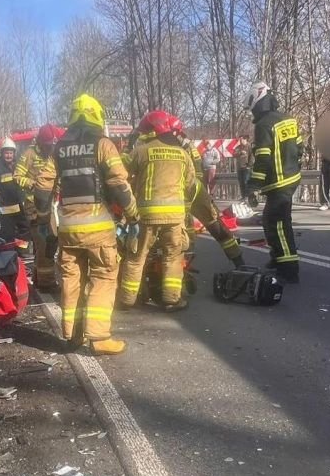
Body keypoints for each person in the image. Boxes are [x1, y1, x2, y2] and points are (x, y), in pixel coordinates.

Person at [35, 94, 138, 355]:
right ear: (96, 115)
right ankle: (99, 337)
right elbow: (118, 183)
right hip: (98, 229)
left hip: (68, 230)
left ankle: (71, 334)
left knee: (71, 278)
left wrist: (43, 219)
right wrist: (133, 214)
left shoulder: (59, 148)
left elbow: (43, 186)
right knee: (103, 277)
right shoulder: (103, 144)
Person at [117, 110, 195, 312]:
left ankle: (127, 300)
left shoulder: (142, 151)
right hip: (174, 217)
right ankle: (171, 299)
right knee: (172, 256)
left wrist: (128, 146)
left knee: (136, 257)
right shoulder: (183, 154)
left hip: (146, 216)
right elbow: (191, 185)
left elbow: (119, 171)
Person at [245, 81, 301, 283]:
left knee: (278, 224)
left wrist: (252, 187)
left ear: (258, 103)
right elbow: (300, 147)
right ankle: (278, 258)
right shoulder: (289, 119)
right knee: (271, 218)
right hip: (291, 177)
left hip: (278, 182)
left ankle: (288, 267)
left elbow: (263, 159)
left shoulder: (264, 125)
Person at [176, 119, 246, 268]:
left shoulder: (179, 146)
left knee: (188, 227)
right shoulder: (186, 145)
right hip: (194, 189)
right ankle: (238, 261)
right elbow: (198, 168)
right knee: (214, 225)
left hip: (185, 191)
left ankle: (184, 262)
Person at [15, 124, 62, 290]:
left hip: (50, 206)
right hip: (34, 207)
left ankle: (38, 276)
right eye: (47, 144)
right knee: (44, 243)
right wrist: (33, 185)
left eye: (52, 144)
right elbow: (17, 176)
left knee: (50, 241)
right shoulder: (29, 154)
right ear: (40, 141)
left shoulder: (53, 155)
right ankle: (46, 282)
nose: (50, 147)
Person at [0, 138, 27, 245]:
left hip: (19, 207)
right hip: (5, 210)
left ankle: (23, 252)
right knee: (8, 235)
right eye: (6, 153)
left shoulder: (18, 166)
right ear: (2, 153)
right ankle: (10, 253)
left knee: (25, 230)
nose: (9, 155)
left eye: (11, 153)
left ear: (14, 153)